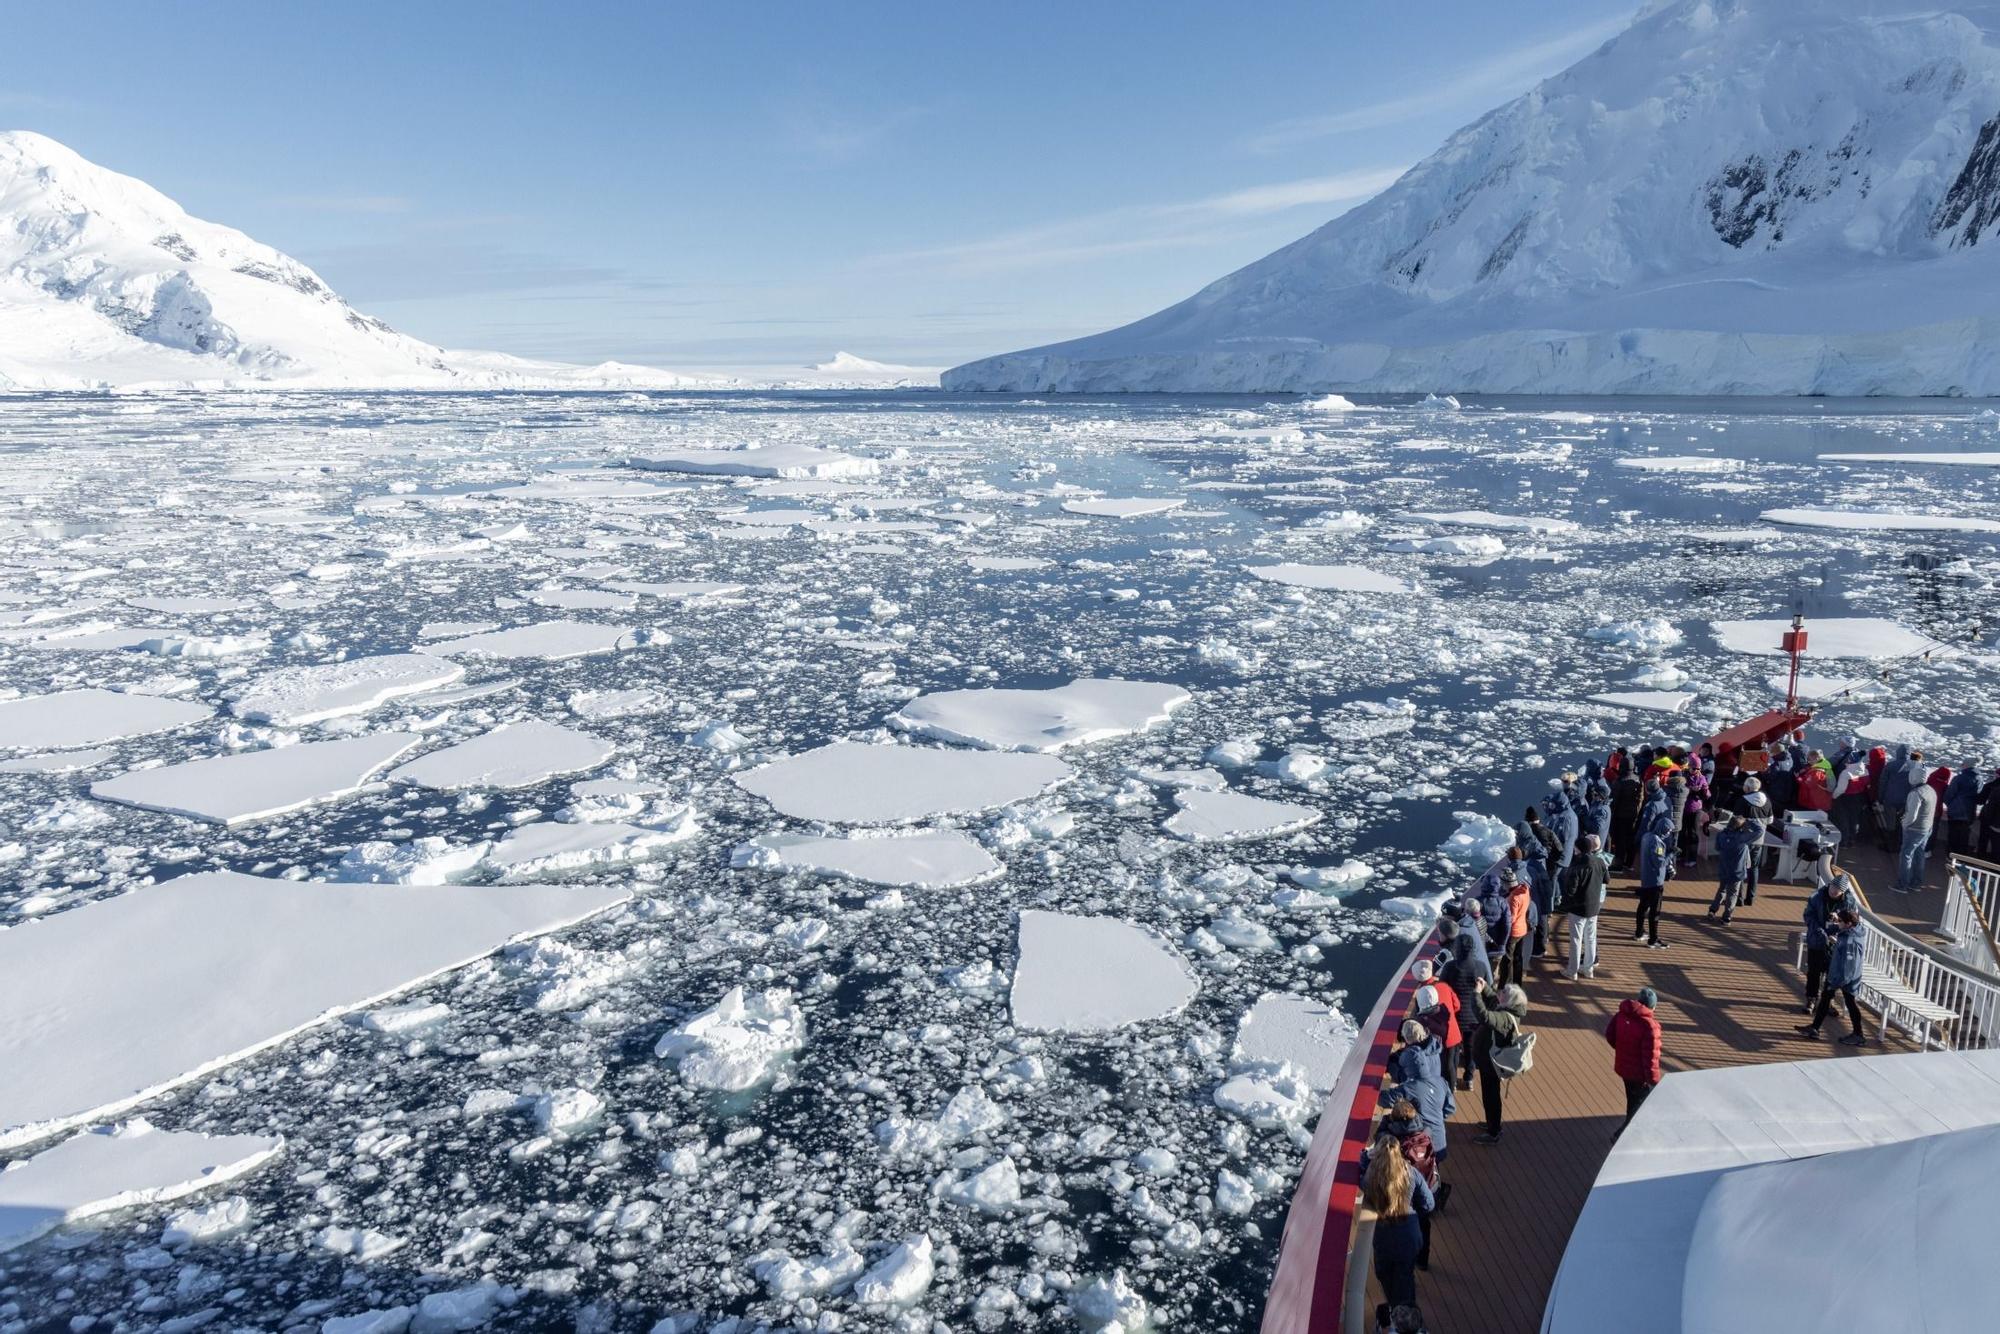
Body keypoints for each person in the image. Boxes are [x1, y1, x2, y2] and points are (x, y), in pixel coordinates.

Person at [1362, 1129, 1434, 1306]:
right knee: (1405, 1276)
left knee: (1385, 1276)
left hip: (1384, 1238)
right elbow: (1428, 1204)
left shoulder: (1371, 1177)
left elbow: (1360, 1176)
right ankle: (1405, 1313)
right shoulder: (1411, 1173)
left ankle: (1397, 1310)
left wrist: (1365, 1159)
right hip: (1409, 1233)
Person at [1798, 908, 1870, 1045]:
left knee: (1849, 1003)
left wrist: (1837, 982)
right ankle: (1815, 1028)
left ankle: (1858, 1034)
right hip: (1841, 976)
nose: (1838, 923)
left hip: (1843, 978)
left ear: (1849, 924)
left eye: (1840, 921)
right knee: (1827, 999)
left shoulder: (1850, 941)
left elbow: (1849, 966)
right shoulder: (1853, 931)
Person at [1470, 981, 1528, 1145]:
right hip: (1490, 1060)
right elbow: (1494, 998)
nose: (1500, 992)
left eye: (1504, 992)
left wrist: (1476, 994)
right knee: (1491, 1094)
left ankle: (1493, 1131)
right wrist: (1485, 987)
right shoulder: (1508, 1010)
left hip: (1491, 1064)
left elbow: (1484, 1016)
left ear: (1508, 1001)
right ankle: (1492, 1123)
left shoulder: (1503, 1018)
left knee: (1491, 1096)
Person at [1437, 918, 1488, 1091]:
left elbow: (1441, 987)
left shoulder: (1450, 967)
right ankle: (1469, 1078)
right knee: (1471, 1049)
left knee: (1453, 1052)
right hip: (1474, 1017)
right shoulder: (1480, 966)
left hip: (1455, 1016)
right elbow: (1487, 987)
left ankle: (1452, 1083)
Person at [1605, 986, 1663, 1137]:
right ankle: (1622, 1135)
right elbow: (1651, 1059)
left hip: (1624, 1068)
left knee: (1633, 1101)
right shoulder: (1650, 1027)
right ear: (1652, 1007)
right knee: (1640, 1104)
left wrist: (1623, 1050)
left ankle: (1627, 1132)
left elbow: (1610, 1035)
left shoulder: (1621, 1014)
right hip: (1639, 1075)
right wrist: (1654, 1081)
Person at [1563, 833, 1609, 979]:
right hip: (1594, 907)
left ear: (1579, 849)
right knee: (1591, 938)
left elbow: (1570, 890)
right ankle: (1588, 969)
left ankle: (1572, 971)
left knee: (1576, 940)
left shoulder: (1577, 864)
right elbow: (1606, 879)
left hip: (1578, 908)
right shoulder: (1600, 862)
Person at [1635, 780, 1674, 948]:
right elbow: (1660, 863)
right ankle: (1653, 939)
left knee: (1643, 906)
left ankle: (1639, 932)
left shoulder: (1647, 837)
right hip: (1655, 881)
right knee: (1655, 910)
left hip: (1645, 878)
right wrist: (1670, 855)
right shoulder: (1658, 843)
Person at [1412, 979, 1462, 1090]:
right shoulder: (1444, 986)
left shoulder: (1422, 999)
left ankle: (1449, 1089)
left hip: (1440, 1041)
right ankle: (1453, 1085)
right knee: (1453, 1062)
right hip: (1454, 1033)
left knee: (1445, 1067)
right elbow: (1457, 1005)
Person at [1897, 758, 1937, 892]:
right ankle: (1916, 883)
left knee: (1906, 855)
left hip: (1914, 829)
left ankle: (1902, 884)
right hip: (1927, 828)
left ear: (1913, 777)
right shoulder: (1930, 790)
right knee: (1919, 854)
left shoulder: (1915, 793)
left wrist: (1904, 824)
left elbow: (1911, 815)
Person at [1708, 813, 1756, 924]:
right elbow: (1760, 831)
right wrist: (1750, 822)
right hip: (1737, 871)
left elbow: (1717, 847)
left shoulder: (1721, 834)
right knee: (1733, 894)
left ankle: (1712, 910)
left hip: (1724, 868)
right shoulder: (1742, 838)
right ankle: (1726, 917)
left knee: (1722, 889)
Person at [1499, 864, 1536, 987]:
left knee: (1507, 959)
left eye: (1503, 884)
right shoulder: (1524, 889)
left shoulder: (1513, 897)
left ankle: (1504, 985)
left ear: (1507, 884)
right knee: (1518, 957)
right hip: (1522, 928)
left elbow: (1511, 918)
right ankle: (1517, 982)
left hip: (1513, 932)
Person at [1830, 751, 1871, 847]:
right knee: (1854, 819)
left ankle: (1844, 841)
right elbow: (1867, 783)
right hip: (1859, 797)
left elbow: (1841, 789)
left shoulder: (1846, 773)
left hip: (1846, 798)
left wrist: (1833, 796)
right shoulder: (1865, 770)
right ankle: (1852, 839)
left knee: (1844, 819)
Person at [1610, 763, 1644, 873]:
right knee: (1631, 840)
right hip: (1634, 815)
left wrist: (1612, 812)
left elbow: (1614, 800)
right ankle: (1629, 863)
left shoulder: (1620, 781)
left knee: (1620, 841)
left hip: (1620, 815)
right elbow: (1641, 798)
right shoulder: (1638, 779)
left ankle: (1618, 865)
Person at [1944, 763, 1982, 855]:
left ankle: (1951, 855)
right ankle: (1961, 857)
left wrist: (1950, 805)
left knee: (1953, 834)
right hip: (1969, 812)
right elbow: (1979, 797)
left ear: (1966, 766)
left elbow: (1949, 794)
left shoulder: (1958, 778)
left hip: (1955, 811)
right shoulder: (1979, 779)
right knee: (1964, 836)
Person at [1981, 766, 2000, 860]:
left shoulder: (1991, 786)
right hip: (1995, 822)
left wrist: (1988, 820)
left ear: (1997, 775)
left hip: (1992, 822)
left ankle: (1981, 860)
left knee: (1983, 840)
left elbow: (1982, 801)